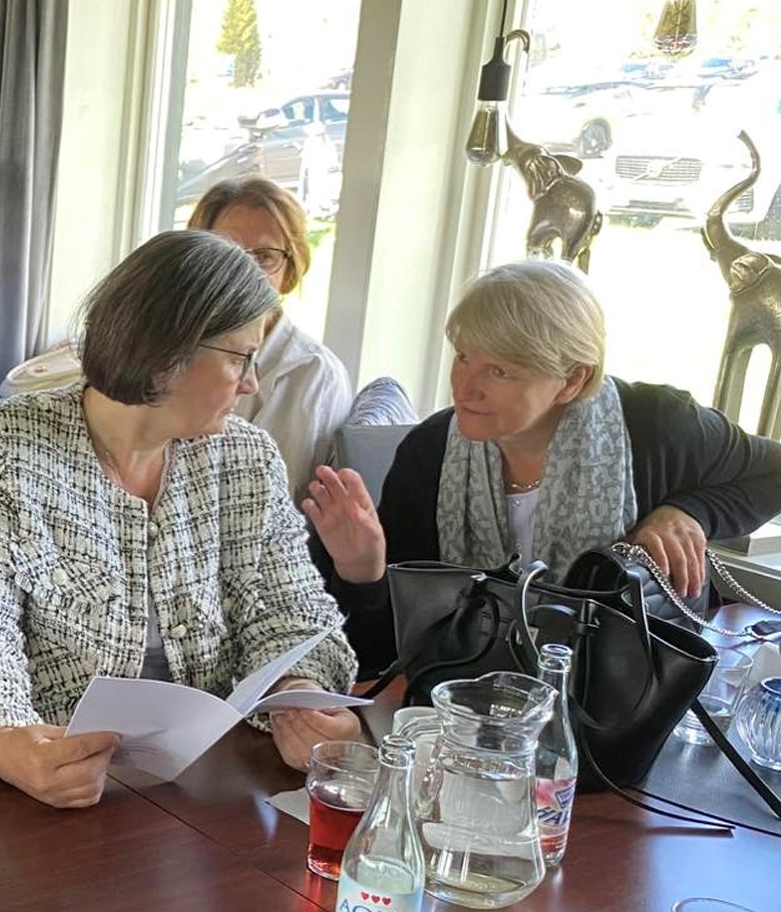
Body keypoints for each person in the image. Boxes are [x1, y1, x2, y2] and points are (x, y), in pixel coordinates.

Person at [0, 230, 360, 809]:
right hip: (54, 790)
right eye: (240, 358)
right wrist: (6, 737)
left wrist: (299, 692)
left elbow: (294, 613)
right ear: (168, 352)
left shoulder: (247, 457)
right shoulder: (5, 445)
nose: (251, 383)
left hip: (212, 789)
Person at [306, 258, 781, 675]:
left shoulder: (657, 425)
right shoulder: (429, 454)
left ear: (572, 379)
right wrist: (362, 574)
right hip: (469, 700)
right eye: (464, 356)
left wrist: (690, 512)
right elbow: (384, 650)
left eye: (499, 371)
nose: (464, 387)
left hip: (629, 702)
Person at [188, 177, 352, 497]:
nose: (245, 271)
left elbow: (282, 501)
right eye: (228, 251)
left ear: (290, 270)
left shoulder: (315, 374)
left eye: (265, 256)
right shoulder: (173, 355)